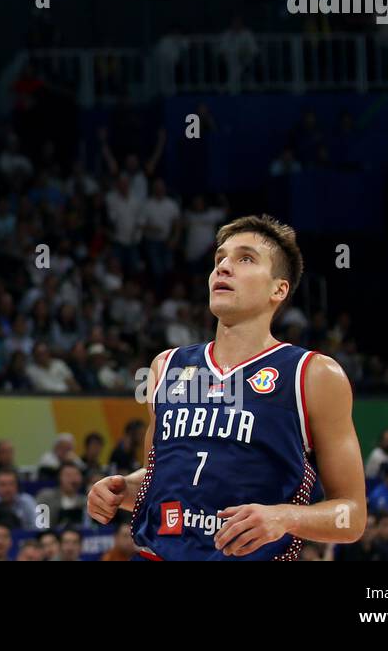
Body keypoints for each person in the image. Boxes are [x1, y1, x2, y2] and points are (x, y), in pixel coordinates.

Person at [88, 215, 367, 560]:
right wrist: (122, 489)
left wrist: (284, 517)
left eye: (245, 259)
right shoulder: (166, 366)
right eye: (219, 259)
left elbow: (352, 517)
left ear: (278, 289)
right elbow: (163, 479)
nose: (223, 268)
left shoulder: (313, 374)